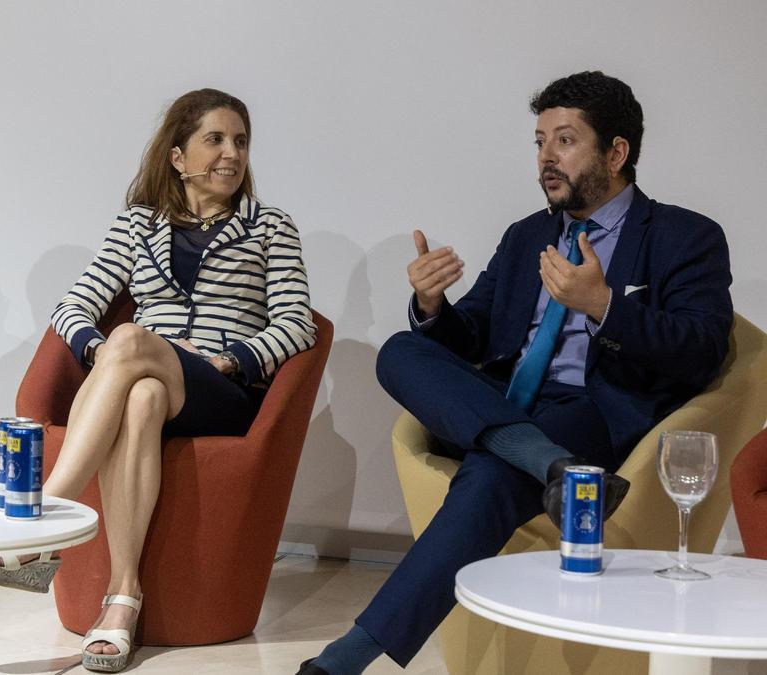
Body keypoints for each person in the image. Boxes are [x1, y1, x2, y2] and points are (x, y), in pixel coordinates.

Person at [298, 71, 733, 674]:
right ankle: (552, 466)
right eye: (538, 142)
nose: (545, 159)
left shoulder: (687, 237)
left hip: (591, 415)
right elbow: (472, 334)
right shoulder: (528, 233)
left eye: (564, 141)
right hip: (505, 403)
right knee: (402, 348)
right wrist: (432, 306)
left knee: (487, 477)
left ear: (616, 152)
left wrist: (605, 307)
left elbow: (703, 348)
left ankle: (346, 658)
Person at [0, 88, 317, 672]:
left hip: (223, 392)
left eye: (241, 142)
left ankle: (43, 514)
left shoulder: (270, 226)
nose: (231, 154)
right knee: (141, 390)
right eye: (215, 139)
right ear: (177, 156)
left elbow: (298, 323)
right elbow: (73, 308)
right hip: (158, 380)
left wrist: (228, 360)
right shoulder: (138, 224)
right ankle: (123, 600)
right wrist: (105, 350)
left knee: (133, 346)